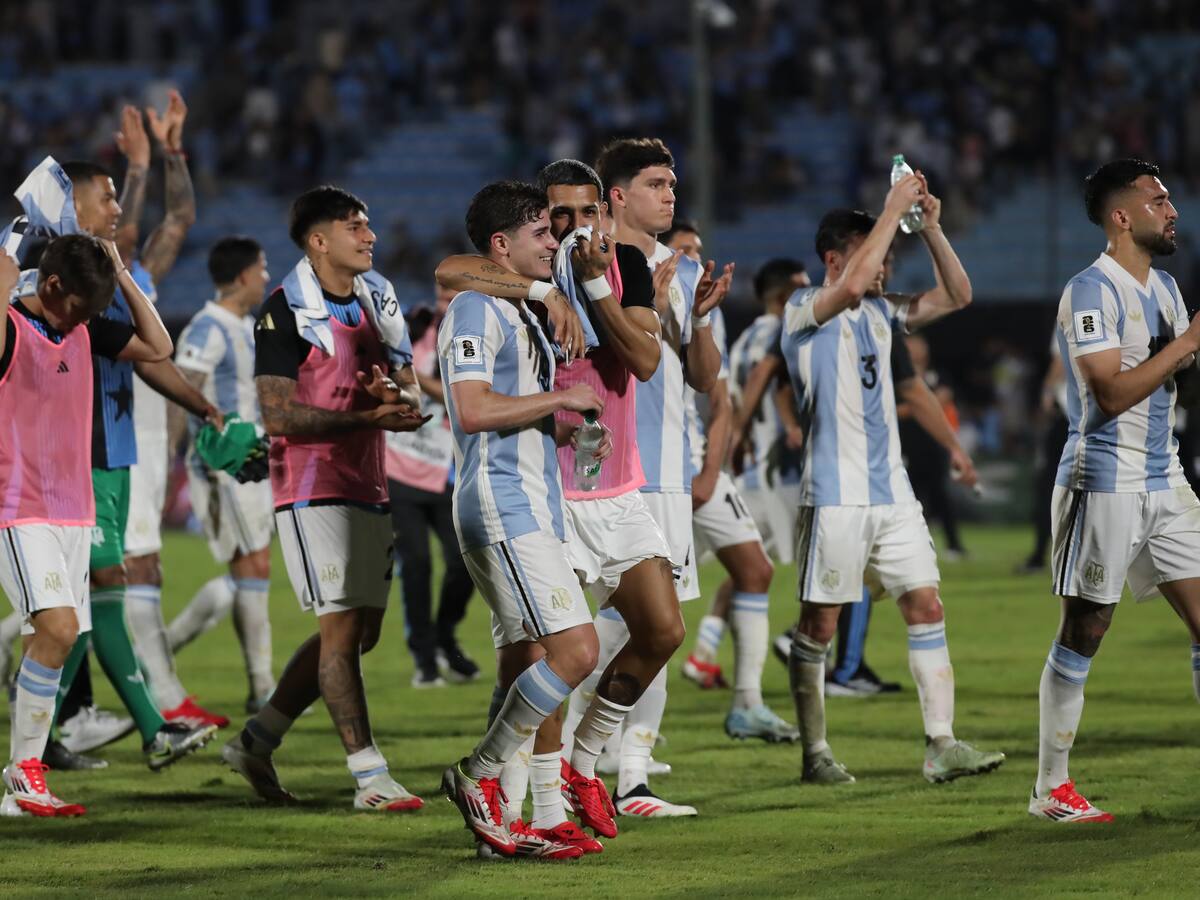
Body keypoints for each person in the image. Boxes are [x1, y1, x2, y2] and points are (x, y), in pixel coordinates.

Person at [433, 159, 673, 840]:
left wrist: (579, 291)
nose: (562, 232)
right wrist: (547, 298)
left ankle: (525, 803)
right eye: (548, 221)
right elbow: (471, 397)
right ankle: (501, 788)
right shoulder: (492, 298)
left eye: (574, 214)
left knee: (593, 643)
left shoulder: (614, 264)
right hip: (516, 502)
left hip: (565, 490)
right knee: (554, 655)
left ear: (604, 209)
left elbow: (647, 362)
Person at [780, 176, 1005, 786]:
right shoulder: (803, 312)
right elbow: (853, 282)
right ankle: (816, 750)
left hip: (893, 494)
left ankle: (941, 744)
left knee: (925, 604)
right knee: (819, 625)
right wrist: (889, 211)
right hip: (834, 496)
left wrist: (928, 224)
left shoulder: (882, 313)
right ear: (833, 258)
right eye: (871, 251)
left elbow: (958, 294)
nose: (882, 266)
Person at [222, 185, 428, 811]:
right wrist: (370, 418)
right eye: (354, 227)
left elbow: (410, 395)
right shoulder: (284, 310)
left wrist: (391, 398)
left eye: (367, 226)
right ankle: (369, 776)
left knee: (360, 632)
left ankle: (257, 741)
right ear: (318, 241)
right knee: (339, 631)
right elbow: (278, 416)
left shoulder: (378, 298)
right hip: (311, 489)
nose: (369, 236)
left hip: (367, 479)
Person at [438, 179, 609, 860]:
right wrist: (560, 396)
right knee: (577, 651)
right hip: (502, 507)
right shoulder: (478, 308)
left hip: (530, 503)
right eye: (541, 231)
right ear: (502, 245)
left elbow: (507, 414)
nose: (552, 242)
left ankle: (499, 823)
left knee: (526, 661)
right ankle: (477, 774)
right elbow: (471, 411)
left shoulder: (519, 315)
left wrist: (564, 431)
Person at [561, 138, 731, 817]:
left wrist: (703, 319)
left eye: (673, 183)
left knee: (659, 627)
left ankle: (631, 775)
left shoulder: (683, 272)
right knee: (583, 628)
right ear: (619, 195)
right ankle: (562, 757)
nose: (671, 194)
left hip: (661, 473)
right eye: (657, 183)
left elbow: (703, 378)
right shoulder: (581, 257)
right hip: (587, 470)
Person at [1031, 159, 1200, 823]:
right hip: (1102, 477)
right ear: (1123, 217)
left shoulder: (1164, 287)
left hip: (1165, 476)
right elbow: (1105, 397)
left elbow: (1177, 372)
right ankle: (1051, 787)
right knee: (1086, 627)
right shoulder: (1091, 291)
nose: (1173, 211)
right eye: (1159, 201)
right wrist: (1185, 343)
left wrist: (1187, 348)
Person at [46, 158, 219, 771]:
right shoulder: (59, 283)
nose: (118, 209)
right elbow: (150, 349)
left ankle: (56, 737)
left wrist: (202, 406)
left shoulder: (111, 278)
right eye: (108, 197)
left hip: (114, 455)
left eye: (121, 197)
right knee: (89, 596)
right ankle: (143, 729)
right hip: (77, 458)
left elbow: (148, 355)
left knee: (92, 597)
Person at [0, 234, 173, 816]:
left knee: (42, 638)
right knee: (60, 629)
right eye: (83, 305)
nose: (90, 318)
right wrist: (9, 259)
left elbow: (157, 345)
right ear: (51, 286)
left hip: (74, 510)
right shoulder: (11, 330)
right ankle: (25, 772)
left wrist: (120, 274)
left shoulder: (81, 327)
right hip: (18, 508)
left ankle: (22, 784)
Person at [668, 223, 798, 743]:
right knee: (645, 604)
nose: (695, 258)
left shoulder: (714, 316)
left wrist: (716, 460)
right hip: (659, 472)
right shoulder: (630, 298)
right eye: (684, 250)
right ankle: (603, 741)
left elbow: (722, 395)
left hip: (709, 462)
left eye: (699, 250)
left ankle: (745, 701)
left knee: (754, 568)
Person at [166, 236, 275, 712]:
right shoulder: (208, 326)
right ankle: (261, 687)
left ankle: (162, 652)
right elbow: (183, 387)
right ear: (243, 275)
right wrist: (183, 454)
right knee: (251, 566)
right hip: (226, 464)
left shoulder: (245, 324)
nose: (267, 277)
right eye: (263, 268)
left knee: (252, 567)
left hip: (251, 460)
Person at [385, 281, 477, 689]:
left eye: (453, 293)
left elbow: (463, 398)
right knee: (417, 564)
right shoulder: (416, 326)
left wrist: (422, 384)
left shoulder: (471, 337)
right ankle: (425, 660)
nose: (443, 300)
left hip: (445, 472)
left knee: (465, 563)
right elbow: (392, 376)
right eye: (440, 292)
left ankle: (444, 635)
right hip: (399, 468)